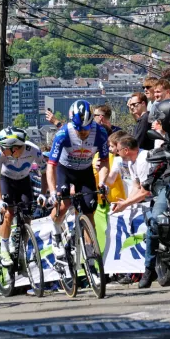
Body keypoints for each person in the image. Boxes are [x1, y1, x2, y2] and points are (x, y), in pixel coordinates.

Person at [46, 100, 109, 260]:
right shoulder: (63, 134)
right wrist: (52, 191)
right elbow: (51, 166)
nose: (83, 133)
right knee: (64, 203)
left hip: (85, 171)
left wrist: (102, 182)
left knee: (89, 212)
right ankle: (56, 232)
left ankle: (90, 254)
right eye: (79, 130)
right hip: (65, 170)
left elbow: (104, 162)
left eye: (86, 129)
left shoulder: (100, 133)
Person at [138, 99, 170, 288]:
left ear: (167, 119)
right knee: (156, 220)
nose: (156, 123)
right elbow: (158, 162)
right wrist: (150, 179)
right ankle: (149, 268)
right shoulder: (166, 141)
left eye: (159, 119)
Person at [0, 127, 46, 266]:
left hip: (24, 180)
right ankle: (4, 249)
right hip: (6, 180)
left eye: (4, 147)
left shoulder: (33, 150)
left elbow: (45, 172)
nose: (1, 149)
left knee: (27, 217)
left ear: (15, 148)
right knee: (8, 213)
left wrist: (43, 194)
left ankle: (22, 248)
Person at [109, 135, 152, 214]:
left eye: (118, 150)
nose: (117, 153)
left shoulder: (143, 160)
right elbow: (136, 187)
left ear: (126, 150)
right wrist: (126, 202)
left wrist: (125, 204)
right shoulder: (130, 161)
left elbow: (145, 192)